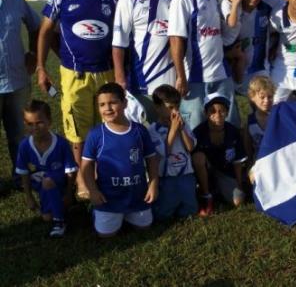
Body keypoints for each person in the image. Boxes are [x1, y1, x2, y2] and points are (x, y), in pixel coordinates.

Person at [36, 0, 118, 197]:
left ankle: (104, 172)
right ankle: (83, 179)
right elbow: (45, 31)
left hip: (106, 71)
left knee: (106, 123)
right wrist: (41, 67)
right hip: (75, 74)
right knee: (77, 129)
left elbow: (120, 32)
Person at [168, 0, 238, 130]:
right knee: (195, 128)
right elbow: (176, 39)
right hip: (195, 77)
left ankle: (230, 158)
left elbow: (220, 33)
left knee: (229, 125)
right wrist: (181, 77)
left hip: (221, 73)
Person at [81, 83, 159, 237]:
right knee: (107, 235)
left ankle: (129, 214)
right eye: (102, 104)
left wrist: (153, 185)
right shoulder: (96, 134)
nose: (107, 108)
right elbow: (87, 165)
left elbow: (152, 159)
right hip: (108, 199)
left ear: (125, 103)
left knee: (144, 228)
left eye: (113, 103)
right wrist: (93, 190)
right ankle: (97, 212)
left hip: (137, 196)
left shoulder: (139, 131)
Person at [112, 0, 175, 122]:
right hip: (143, 82)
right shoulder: (128, 1)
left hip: (171, 80)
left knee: (170, 131)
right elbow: (119, 44)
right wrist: (120, 78)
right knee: (148, 134)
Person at [16, 100, 77, 237]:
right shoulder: (24, 146)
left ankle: (59, 222)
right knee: (46, 217)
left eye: (39, 123)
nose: (35, 128)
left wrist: (68, 193)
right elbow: (24, 173)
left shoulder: (61, 143)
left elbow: (71, 171)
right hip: (40, 185)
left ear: (49, 121)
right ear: (25, 124)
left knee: (48, 181)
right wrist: (29, 197)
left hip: (58, 181)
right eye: (30, 124)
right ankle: (57, 208)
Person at [0, 0, 41, 180]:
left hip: (17, 81)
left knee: (18, 133)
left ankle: (20, 176)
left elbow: (36, 26)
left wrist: (33, 53)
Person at [148, 85, 197, 221]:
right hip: (166, 177)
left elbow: (190, 147)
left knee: (190, 210)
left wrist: (181, 129)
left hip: (186, 174)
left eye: (177, 106)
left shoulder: (183, 125)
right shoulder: (153, 130)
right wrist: (173, 130)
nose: (175, 111)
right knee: (163, 214)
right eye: (170, 108)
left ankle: (185, 210)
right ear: (157, 108)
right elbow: (163, 151)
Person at [193, 94, 247, 215]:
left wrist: (239, 185)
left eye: (221, 111)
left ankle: (217, 189)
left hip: (225, 170)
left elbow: (237, 161)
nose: (217, 115)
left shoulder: (233, 131)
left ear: (227, 113)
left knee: (238, 201)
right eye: (212, 111)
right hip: (206, 171)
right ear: (206, 113)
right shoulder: (198, 132)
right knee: (198, 158)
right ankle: (206, 195)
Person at [243, 75, 274, 163]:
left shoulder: (278, 116)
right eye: (262, 97)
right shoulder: (250, 121)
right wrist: (250, 165)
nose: (266, 101)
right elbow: (247, 146)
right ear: (252, 97)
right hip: (259, 163)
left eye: (270, 97)